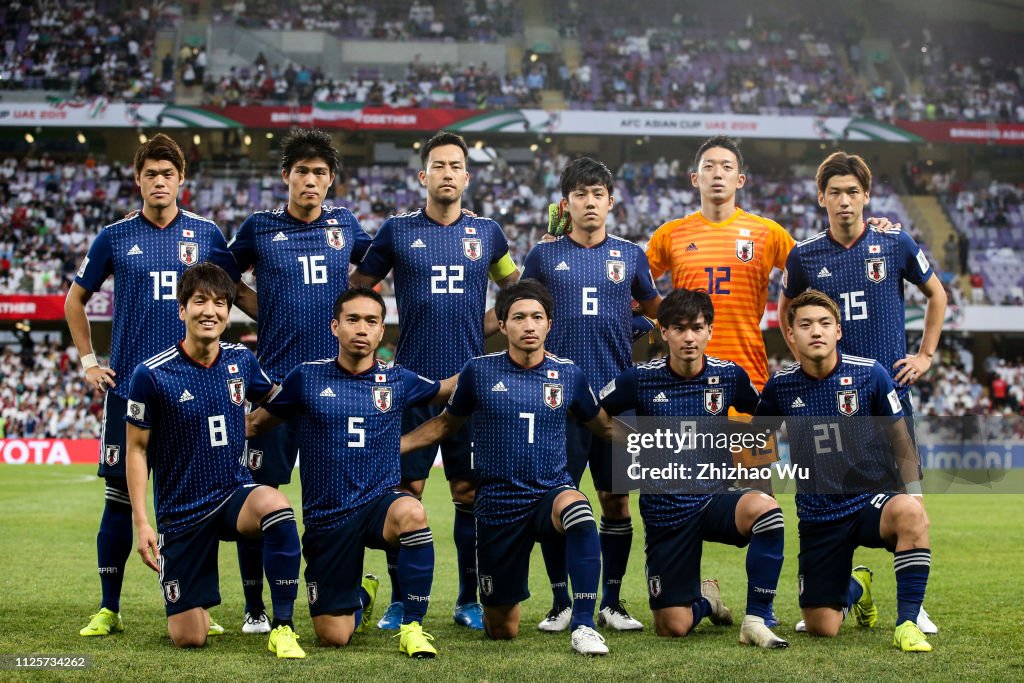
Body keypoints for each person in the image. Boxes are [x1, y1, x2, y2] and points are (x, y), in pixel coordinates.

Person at [65, 133, 238, 638]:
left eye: (168, 174)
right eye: (150, 174)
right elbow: (75, 300)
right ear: (138, 179)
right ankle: (108, 607)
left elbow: (230, 297)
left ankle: (199, 602)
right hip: (130, 391)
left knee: (199, 500)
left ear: (182, 179)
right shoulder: (115, 236)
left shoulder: (206, 234)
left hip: (193, 392)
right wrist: (88, 361)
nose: (159, 182)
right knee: (119, 498)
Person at [400, 279, 629, 656]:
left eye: (537, 317)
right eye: (519, 317)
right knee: (502, 629)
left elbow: (604, 426)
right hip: (497, 505)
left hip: (548, 494)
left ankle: (584, 625)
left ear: (549, 324)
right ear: (503, 325)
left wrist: (667, 447)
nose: (529, 325)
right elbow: (444, 425)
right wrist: (394, 446)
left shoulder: (569, 373)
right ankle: (498, 603)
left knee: (579, 511)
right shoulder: (478, 371)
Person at [351, 131, 520, 630]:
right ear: (423, 176)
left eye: (456, 166)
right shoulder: (396, 232)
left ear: (467, 177)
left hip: (472, 386)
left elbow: (513, 289)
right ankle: (401, 601)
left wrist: (492, 323)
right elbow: (360, 287)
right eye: (438, 165)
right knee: (407, 490)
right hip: (410, 384)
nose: (447, 173)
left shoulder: (489, 233)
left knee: (469, 492)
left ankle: (468, 599)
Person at [778, 151, 946, 634]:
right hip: (827, 402)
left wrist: (926, 355)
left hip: (883, 394)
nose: (845, 201)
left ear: (867, 196)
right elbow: (786, 310)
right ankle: (843, 589)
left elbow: (938, 294)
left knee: (906, 499)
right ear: (821, 199)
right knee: (827, 502)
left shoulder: (893, 242)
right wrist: (802, 363)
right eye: (835, 192)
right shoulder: (805, 254)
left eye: (853, 192)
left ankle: (914, 607)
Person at [247, 287, 457, 658]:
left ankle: (413, 626)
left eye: (371, 321)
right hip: (328, 517)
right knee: (334, 636)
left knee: (412, 511)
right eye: (353, 319)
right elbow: (257, 424)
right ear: (335, 326)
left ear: (381, 331)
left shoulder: (398, 379)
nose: (362, 328)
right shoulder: (305, 378)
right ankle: (361, 595)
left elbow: (445, 396)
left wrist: (487, 368)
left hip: (379, 505)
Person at [227, 128, 372, 633]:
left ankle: (338, 592)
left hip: (335, 393)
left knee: (332, 501)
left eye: (320, 173)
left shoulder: (346, 225)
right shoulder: (259, 227)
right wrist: (262, 310)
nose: (311, 181)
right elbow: (220, 276)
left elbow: (381, 265)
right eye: (302, 172)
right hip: (275, 388)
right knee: (260, 493)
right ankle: (254, 607)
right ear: (285, 175)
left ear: (331, 180)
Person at [124, 263, 305, 657]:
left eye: (220, 303)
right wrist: (142, 522)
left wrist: (261, 420)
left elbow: (276, 400)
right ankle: (197, 604)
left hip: (232, 494)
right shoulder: (151, 375)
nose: (211, 311)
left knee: (276, 507)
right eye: (200, 301)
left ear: (228, 312)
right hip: (181, 512)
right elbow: (136, 450)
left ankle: (283, 625)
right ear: (182, 310)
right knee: (190, 638)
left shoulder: (241, 360)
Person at [599, 289, 787, 648]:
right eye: (680, 328)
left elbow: (761, 418)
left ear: (710, 331)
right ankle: (707, 600)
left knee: (768, 512)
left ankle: (757, 617)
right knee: (673, 627)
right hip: (665, 510)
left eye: (697, 328)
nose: (689, 337)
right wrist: (629, 440)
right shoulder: (638, 379)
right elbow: (595, 412)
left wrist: (747, 460)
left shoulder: (729, 376)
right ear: (664, 331)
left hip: (715, 498)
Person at [522, 156, 661, 632]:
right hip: (555, 398)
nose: (589, 202)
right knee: (559, 499)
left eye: (597, 194)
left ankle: (612, 602)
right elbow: (525, 313)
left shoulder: (631, 254)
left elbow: (656, 312)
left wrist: (636, 325)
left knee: (616, 501)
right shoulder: (542, 255)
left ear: (610, 201)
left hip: (614, 400)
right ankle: (561, 602)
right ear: (566, 203)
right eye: (580, 194)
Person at [755, 289, 933, 653]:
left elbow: (901, 439)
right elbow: (756, 444)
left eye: (824, 323)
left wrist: (914, 495)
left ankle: (907, 624)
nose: (815, 331)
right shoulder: (780, 387)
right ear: (791, 335)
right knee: (822, 626)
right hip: (819, 516)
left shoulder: (870, 374)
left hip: (870, 501)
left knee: (911, 513)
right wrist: (763, 491)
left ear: (839, 330)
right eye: (805, 324)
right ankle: (857, 587)